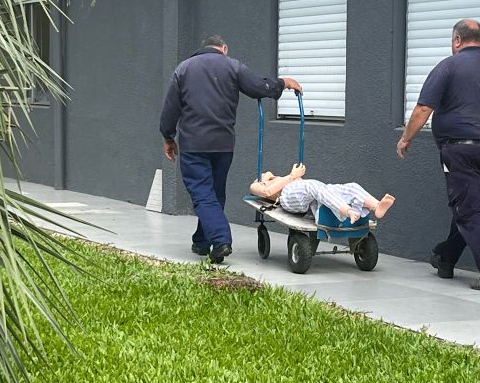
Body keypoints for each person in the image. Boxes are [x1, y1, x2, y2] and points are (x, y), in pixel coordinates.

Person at [396, 19, 480, 291]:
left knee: (468, 210)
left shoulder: (448, 66)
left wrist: (407, 138)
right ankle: (445, 257)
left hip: (459, 150)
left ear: (457, 40)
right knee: (471, 207)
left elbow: (423, 109)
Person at [160, 35, 302, 263]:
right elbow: (258, 87)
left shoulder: (184, 69)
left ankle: (221, 240)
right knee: (215, 193)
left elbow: (170, 109)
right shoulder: (233, 65)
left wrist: (168, 136)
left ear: (203, 48)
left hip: (194, 144)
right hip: (224, 145)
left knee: (202, 193)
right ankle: (202, 241)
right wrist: (283, 83)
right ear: (224, 48)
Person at [250, 163, 396, 223]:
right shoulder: (257, 184)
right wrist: (293, 176)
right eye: (264, 174)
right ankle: (349, 211)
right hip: (286, 197)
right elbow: (267, 191)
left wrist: (295, 177)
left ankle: (376, 207)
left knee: (350, 186)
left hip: (307, 193)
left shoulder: (280, 177)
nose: (266, 173)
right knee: (312, 186)